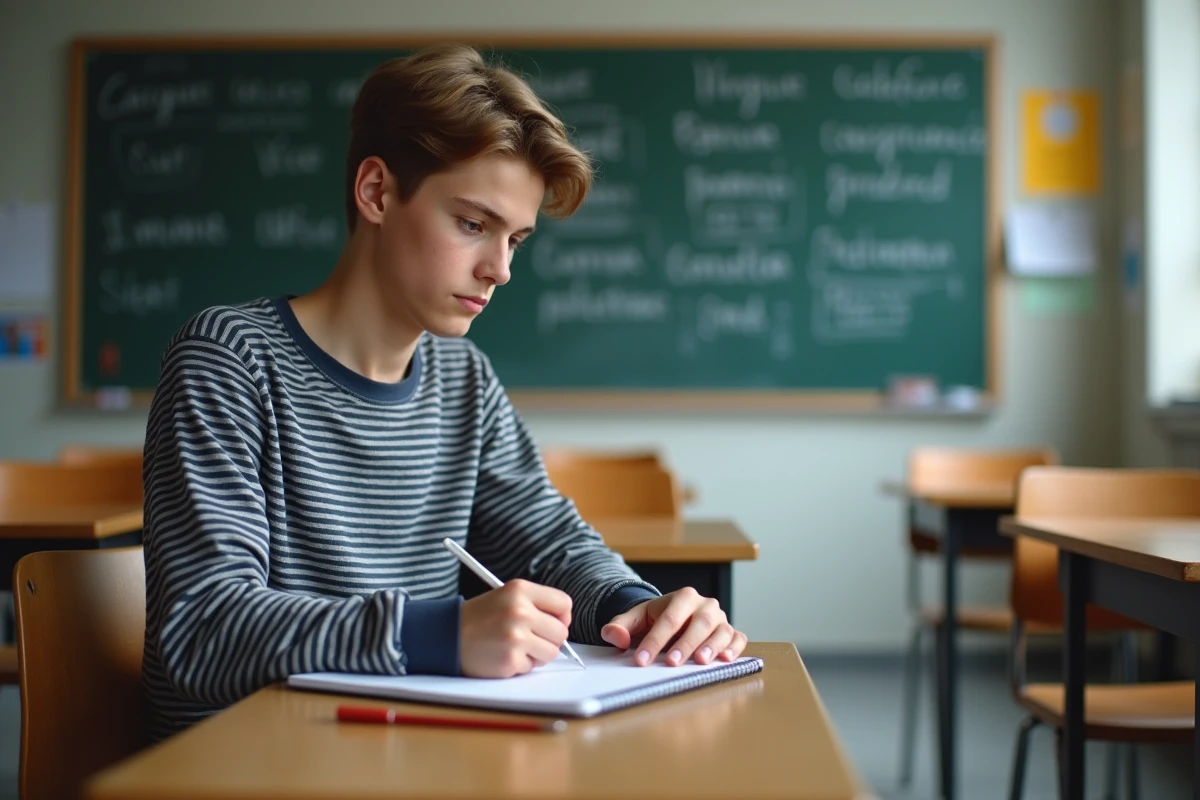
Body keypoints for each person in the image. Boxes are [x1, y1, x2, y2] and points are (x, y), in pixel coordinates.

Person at [142, 43, 746, 740]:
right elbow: (201, 630)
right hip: (246, 762)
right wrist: (440, 634)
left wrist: (637, 605)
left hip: (399, 748)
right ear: (376, 192)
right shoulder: (228, 360)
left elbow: (549, 544)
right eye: (472, 225)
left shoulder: (464, 381)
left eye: (516, 239)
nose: (500, 270)